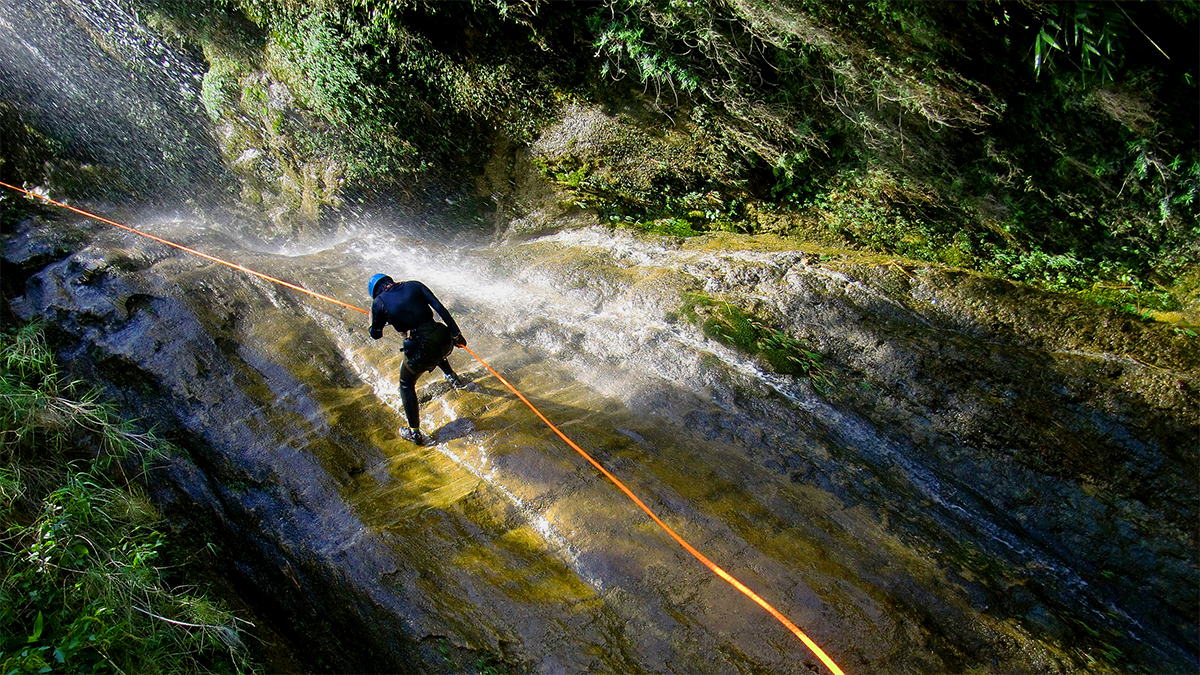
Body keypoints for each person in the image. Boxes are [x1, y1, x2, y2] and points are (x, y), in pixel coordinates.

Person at [368, 274, 467, 445]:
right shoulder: (414, 285)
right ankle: (453, 378)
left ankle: (414, 433)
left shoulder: (379, 303)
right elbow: (440, 309)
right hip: (444, 337)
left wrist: (373, 320)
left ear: (376, 292)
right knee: (433, 347)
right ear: (389, 281)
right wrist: (456, 334)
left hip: (422, 348)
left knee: (406, 384)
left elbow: (375, 334)